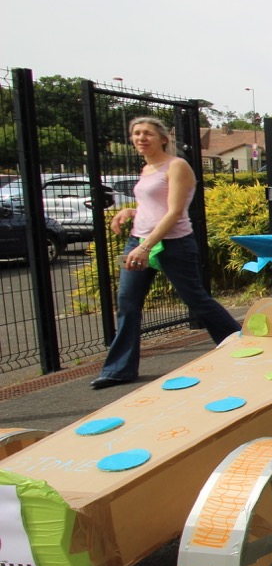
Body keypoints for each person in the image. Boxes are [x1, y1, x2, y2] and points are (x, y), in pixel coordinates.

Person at [91, 117, 240, 390]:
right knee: (127, 303)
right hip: (138, 240)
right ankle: (118, 370)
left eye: (147, 133)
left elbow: (174, 211)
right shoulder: (147, 169)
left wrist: (146, 247)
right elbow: (153, 206)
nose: (141, 138)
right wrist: (131, 212)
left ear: (162, 138)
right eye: (136, 133)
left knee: (196, 300)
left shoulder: (177, 166)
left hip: (172, 243)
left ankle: (239, 345)